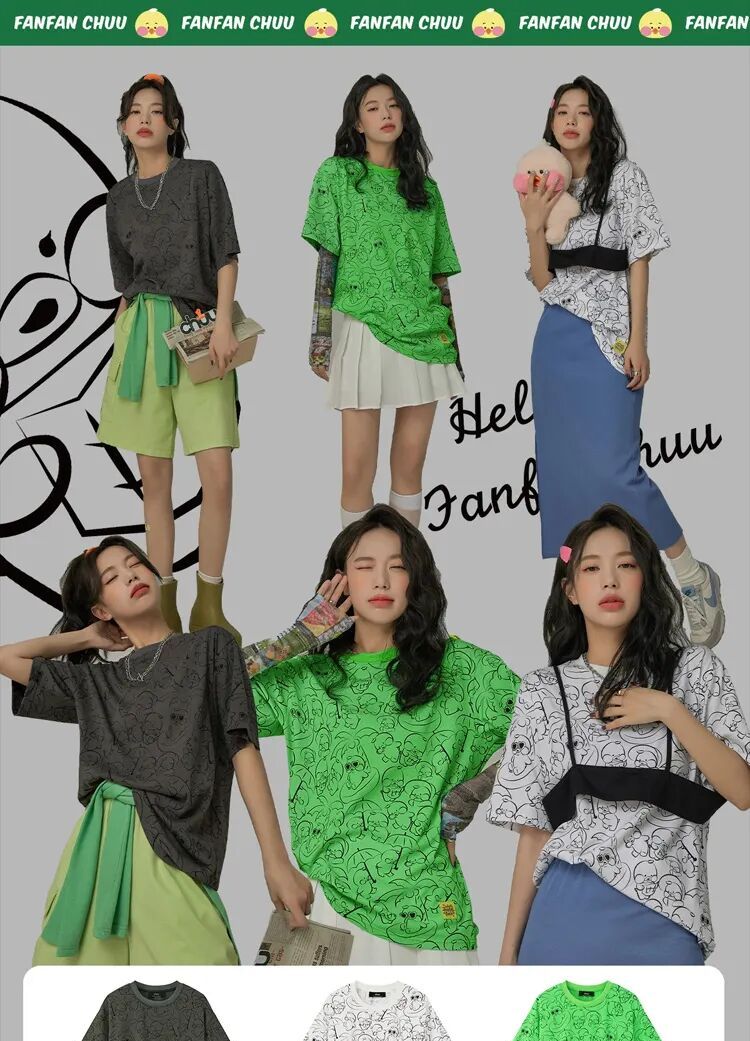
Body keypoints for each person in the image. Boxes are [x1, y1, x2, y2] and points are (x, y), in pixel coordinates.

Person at [0, 537, 312, 967]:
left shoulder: (210, 647)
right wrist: (86, 637)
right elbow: (6, 657)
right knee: (74, 998)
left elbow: (242, 746)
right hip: (96, 853)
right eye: (112, 577)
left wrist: (275, 860)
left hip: (174, 847)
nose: (131, 575)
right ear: (101, 609)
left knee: (203, 987)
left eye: (135, 564)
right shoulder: (99, 682)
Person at [244, 509, 519, 958]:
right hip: (326, 907)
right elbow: (198, 694)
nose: (382, 580)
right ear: (339, 581)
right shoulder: (304, 678)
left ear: (417, 580)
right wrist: (296, 639)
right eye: (364, 566)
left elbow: (553, 733)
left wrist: (468, 796)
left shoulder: (462, 668)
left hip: (432, 911)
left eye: (398, 566)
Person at [489, 509, 750, 965]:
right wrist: (508, 955)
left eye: (626, 565)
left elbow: (742, 790)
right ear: (571, 590)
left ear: (646, 579)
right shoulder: (542, 690)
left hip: (668, 921)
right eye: (591, 568)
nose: (609, 580)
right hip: (562, 921)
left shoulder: (696, 670)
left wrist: (669, 710)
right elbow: (533, 835)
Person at [521, 73, 722, 641]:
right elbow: (543, 280)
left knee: (618, 471)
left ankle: (692, 578)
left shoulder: (625, 177)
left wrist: (639, 338)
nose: (570, 120)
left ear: (597, 121)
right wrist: (534, 223)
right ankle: (583, 612)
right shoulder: (545, 184)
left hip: (611, 336)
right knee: (563, 474)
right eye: (562, 111)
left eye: (582, 111)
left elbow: (639, 259)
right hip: (556, 338)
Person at [97, 73, 246, 639]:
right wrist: (120, 348)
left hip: (197, 329)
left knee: (217, 473)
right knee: (154, 484)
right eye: (134, 111)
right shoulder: (117, 199)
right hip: (138, 336)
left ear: (173, 123)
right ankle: (163, 607)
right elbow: (125, 284)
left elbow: (226, 254)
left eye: (155, 111)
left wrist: (224, 323)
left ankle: (209, 603)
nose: (144, 119)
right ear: (122, 126)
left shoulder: (201, 176)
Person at [304, 74, 462, 528]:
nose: (385, 114)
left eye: (393, 106)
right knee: (358, 470)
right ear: (357, 122)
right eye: (372, 108)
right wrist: (320, 338)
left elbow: (438, 275)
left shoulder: (426, 190)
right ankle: (354, 565)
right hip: (364, 327)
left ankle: (407, 563)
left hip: (426, 334)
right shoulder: (337, 175)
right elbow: (327, 262)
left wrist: (454, 346)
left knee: (409, 469)